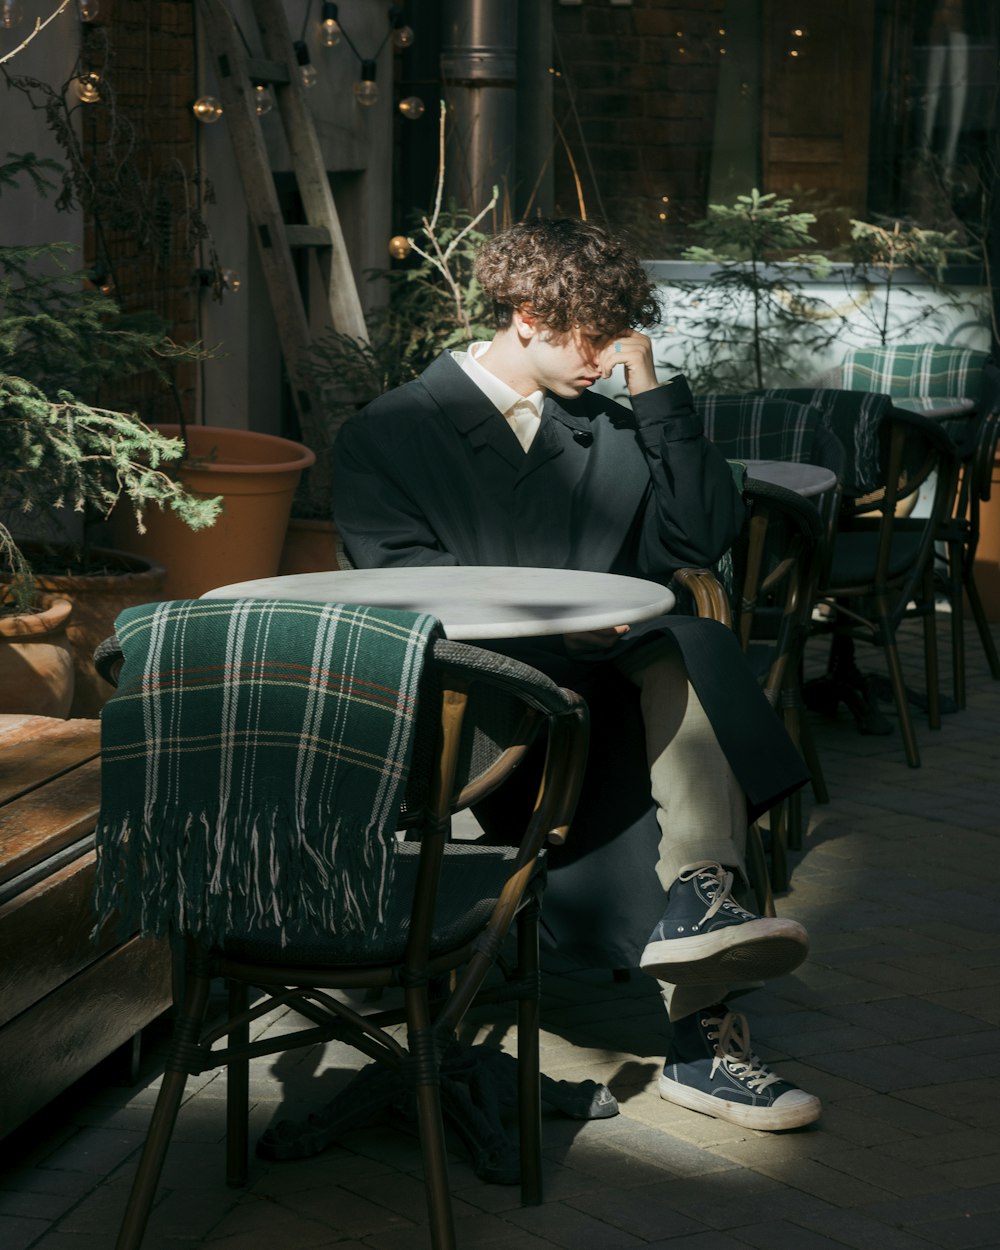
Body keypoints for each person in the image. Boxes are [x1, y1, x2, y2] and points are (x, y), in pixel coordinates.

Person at [332, 217, 821, 1131]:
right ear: (525, 314)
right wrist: (564, 637)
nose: (607, 356)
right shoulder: (391, 431)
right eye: (593, 337)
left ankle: (701, 910)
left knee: (690, 651)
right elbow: (399, 593)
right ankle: (704, 1041)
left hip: (606, 699)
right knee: (674, 740)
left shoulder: (613, 422)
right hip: (472, 712)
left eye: (619, 336)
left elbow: (699, 538)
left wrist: (656, 390)